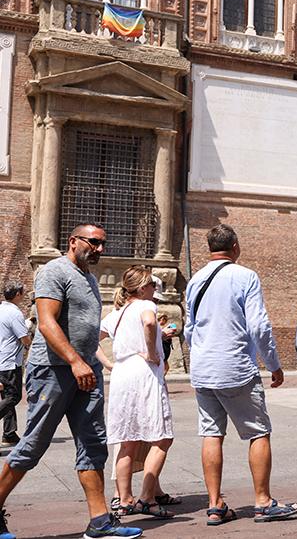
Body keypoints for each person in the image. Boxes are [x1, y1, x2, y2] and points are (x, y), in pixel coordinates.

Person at [0, 223, 143, 539]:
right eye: (94, 242)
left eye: (103, 243)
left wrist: (90, 362)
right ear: (74, 241)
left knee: (93, 444)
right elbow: (47, 323)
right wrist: (75, 361)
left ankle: (100, 521)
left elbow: (87, 329)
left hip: (86, 371)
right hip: (52, 370)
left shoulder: (90, 279)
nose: (99, 249)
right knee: (34, 444)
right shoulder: (54, 271)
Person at [184, 224, 297, 525]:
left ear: (210, 248)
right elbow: (258, 325)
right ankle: (263, 501)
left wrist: (200, 355)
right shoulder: (245, 276)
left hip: (203, 368)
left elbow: (189, 329)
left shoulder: (195, 280)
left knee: (211, 433)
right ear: (235, 246)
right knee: (258, 431)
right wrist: (273, 363)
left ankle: (214, 504)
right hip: (235, 366)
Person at [99, 266, 175, 519]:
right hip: (144, 373)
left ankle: (124, 500)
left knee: (127, 440)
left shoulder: (116, 313)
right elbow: (149, 322)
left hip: (121, 373)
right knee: (162, 437)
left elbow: (89, 340)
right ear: (142, 288)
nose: (154, 290)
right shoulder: (147, 305)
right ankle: (147, 498)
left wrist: (108, 363)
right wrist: (153, 353)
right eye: (152, 286)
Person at [0, 281, 31, 448]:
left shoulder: (1, 309)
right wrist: (31, 340)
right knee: (13, 396)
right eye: (23, 292)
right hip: (10, 362)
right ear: (18, 294)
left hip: (1, 360)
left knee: (6, 397)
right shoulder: (14, 313)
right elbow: (24, 338)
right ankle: (9, 434)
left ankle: (9, 434)